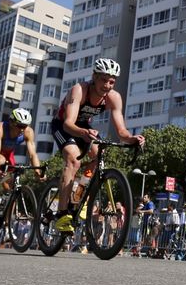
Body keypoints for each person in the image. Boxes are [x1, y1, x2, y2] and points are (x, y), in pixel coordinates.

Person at [49, 58, 144, 233]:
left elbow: (122, 132)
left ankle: (77, 195)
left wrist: (133, 139)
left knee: (99, 155)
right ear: (94, 77)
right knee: (73, 160)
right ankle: (62, 214)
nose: (107, 85)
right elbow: (68, 123)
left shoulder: (114, 98)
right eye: (103, 79)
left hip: (84, 127)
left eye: (112, 81)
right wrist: (83, 133)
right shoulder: (79, 90)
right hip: (63, 125)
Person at [0, 107, 44, 193]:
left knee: (10, 188)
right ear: (11, 122)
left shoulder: (28, 132)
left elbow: (33, 154)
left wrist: (37, 171)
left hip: (8, 155)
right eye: (19, 125)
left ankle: (8, 201)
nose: (22, 129)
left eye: (24, 126)